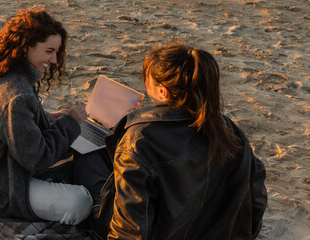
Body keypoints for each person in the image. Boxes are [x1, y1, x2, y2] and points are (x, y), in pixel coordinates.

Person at [90, 41, 268, 239]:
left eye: (148, 80)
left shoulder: (140, 141)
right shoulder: (229, 130)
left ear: (162, 91)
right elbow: (257, 201)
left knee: (89, 165)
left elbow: (130, 230)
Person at [0, 7, 94, 225]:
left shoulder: (2, 74)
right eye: (49, 51)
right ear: (25, 47)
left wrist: (48, 118)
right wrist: (71, 124)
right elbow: (36, 159)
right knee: (80, 202)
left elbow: (9, 123)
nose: (53, 60)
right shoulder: (17, 96)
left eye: (57, 52)